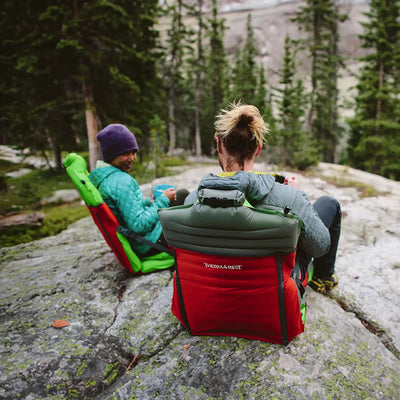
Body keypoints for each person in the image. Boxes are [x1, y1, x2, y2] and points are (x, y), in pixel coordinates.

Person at [184, 103, 341, 294]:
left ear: (218, 144)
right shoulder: (290, 198)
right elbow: (320, 247)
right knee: (328, 204)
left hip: (212, 291)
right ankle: (322, 278)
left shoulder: (192, 200)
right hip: (271, 295)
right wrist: (295, 200)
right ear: (258, 149)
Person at [89, 123, 189, 257]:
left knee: (179, 196)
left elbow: (128, 211)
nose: (131, 158)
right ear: (111, 155)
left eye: (134, 152)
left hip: (137, 241)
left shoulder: (104, 178)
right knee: (182, 196)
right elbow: (139, 226)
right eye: (125, 154)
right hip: (148, 243)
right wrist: (163, 200)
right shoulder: (121, 181)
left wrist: (150, 202)